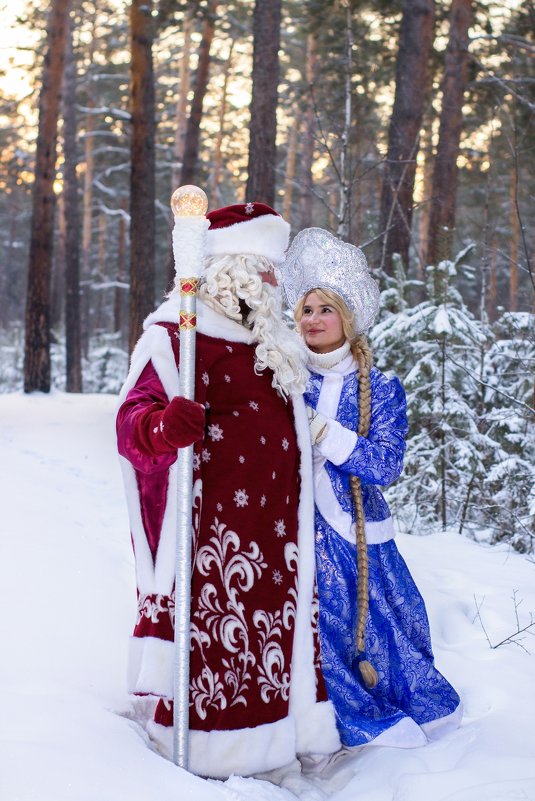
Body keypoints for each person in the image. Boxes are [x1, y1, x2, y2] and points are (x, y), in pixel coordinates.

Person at [116, 205, 341, 779]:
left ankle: (272, 745)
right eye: (262, 272)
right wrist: (164, 426)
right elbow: (131, 421)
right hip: (209, 533)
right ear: (229, 269)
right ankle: (206, 754)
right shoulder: (176, 336)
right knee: (215, 642)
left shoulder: (274, 345)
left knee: (272, 643)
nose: (271, 286)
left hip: (278, 535)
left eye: (274, 274)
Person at [280, 227, 462, 752]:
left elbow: (384, 464)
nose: (312, 320)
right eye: (305, 310)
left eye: (324, 310)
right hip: (294, 529)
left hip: (357, 535)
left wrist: (321, 431)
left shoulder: (380, 388)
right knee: (316, 635)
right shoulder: (284, 375)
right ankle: (335, 722)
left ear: (348, 317)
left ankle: (409, 717)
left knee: (383, 631)